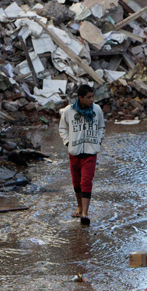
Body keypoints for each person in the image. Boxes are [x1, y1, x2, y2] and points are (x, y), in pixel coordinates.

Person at [58, 84, 105, 225]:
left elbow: (101, 127)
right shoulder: (69, 111)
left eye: (93, 97)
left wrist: (98, 141)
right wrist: (68, 142)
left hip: (90, 153)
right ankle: (79, 206)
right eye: (88, 97)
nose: (92, 100)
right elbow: (62, 128)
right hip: (74, 153)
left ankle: (85, 213)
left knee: (86, 182)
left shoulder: (97, 110)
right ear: (80, 98)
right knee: (76, 183)